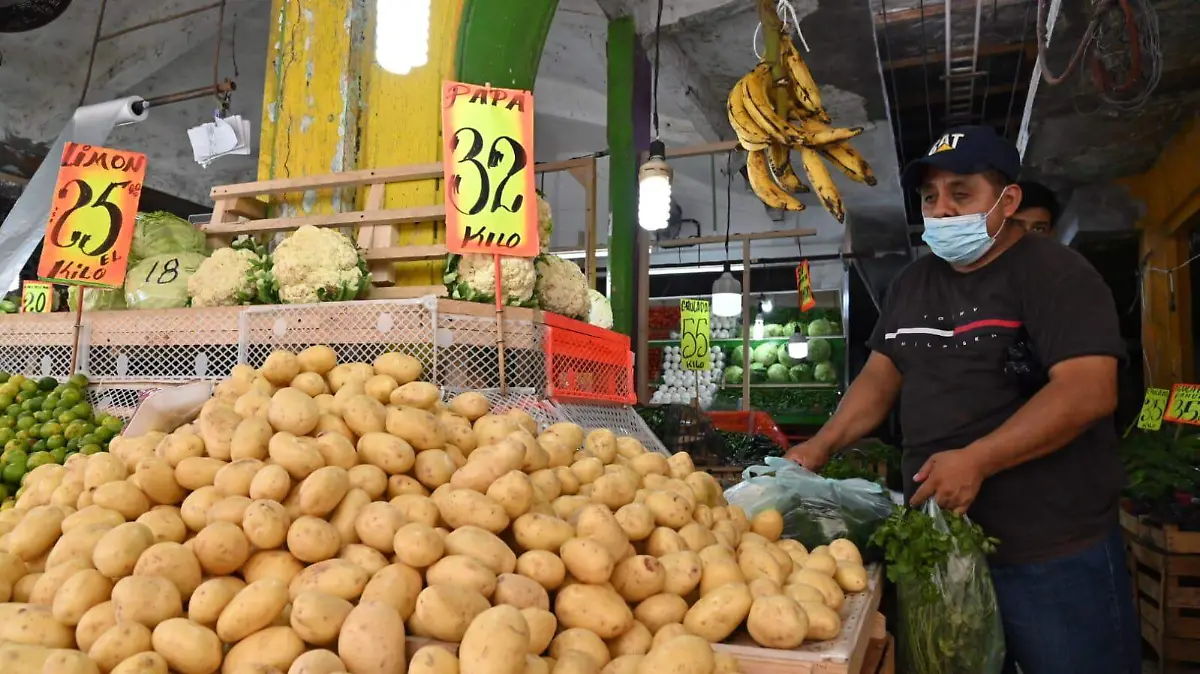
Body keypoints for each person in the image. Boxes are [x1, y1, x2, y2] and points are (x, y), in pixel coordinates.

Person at [786, 126, 1140, 674]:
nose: (943, 209)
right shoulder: (911, 284)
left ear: (1008, 199)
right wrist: (823, 443)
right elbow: (882, 376)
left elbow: (1088, 389)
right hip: (938, 551)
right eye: (931, 197)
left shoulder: (1056, 273)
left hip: (1051, 553)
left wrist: (978, 459)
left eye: (961, 192)